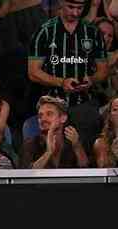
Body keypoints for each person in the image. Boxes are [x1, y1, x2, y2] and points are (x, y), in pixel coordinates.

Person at [28, 0, 108, 153]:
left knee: (86, 153)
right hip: (53, 105)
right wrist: (61, 82)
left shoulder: (92, 32)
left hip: (85, 105)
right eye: (71, 7)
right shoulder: (45, 32)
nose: (76, 13)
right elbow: (33, 72)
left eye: (80, 8)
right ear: (61, 3)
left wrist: (91, 80)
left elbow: (103, 70)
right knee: (54, 152)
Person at [22, 95, 90, 168]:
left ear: (63, 118)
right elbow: (27, 175)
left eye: (49, 114)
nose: (43, 119)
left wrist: (77, 146)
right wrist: (48, 153)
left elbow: (87, 171)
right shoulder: (30, 144)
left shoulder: (74, 141)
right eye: (40, 115)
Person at [93, 96, 118, 166]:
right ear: (110, 116)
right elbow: (104, 171)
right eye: (115, 109)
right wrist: (112, 154)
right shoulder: (101, 144)